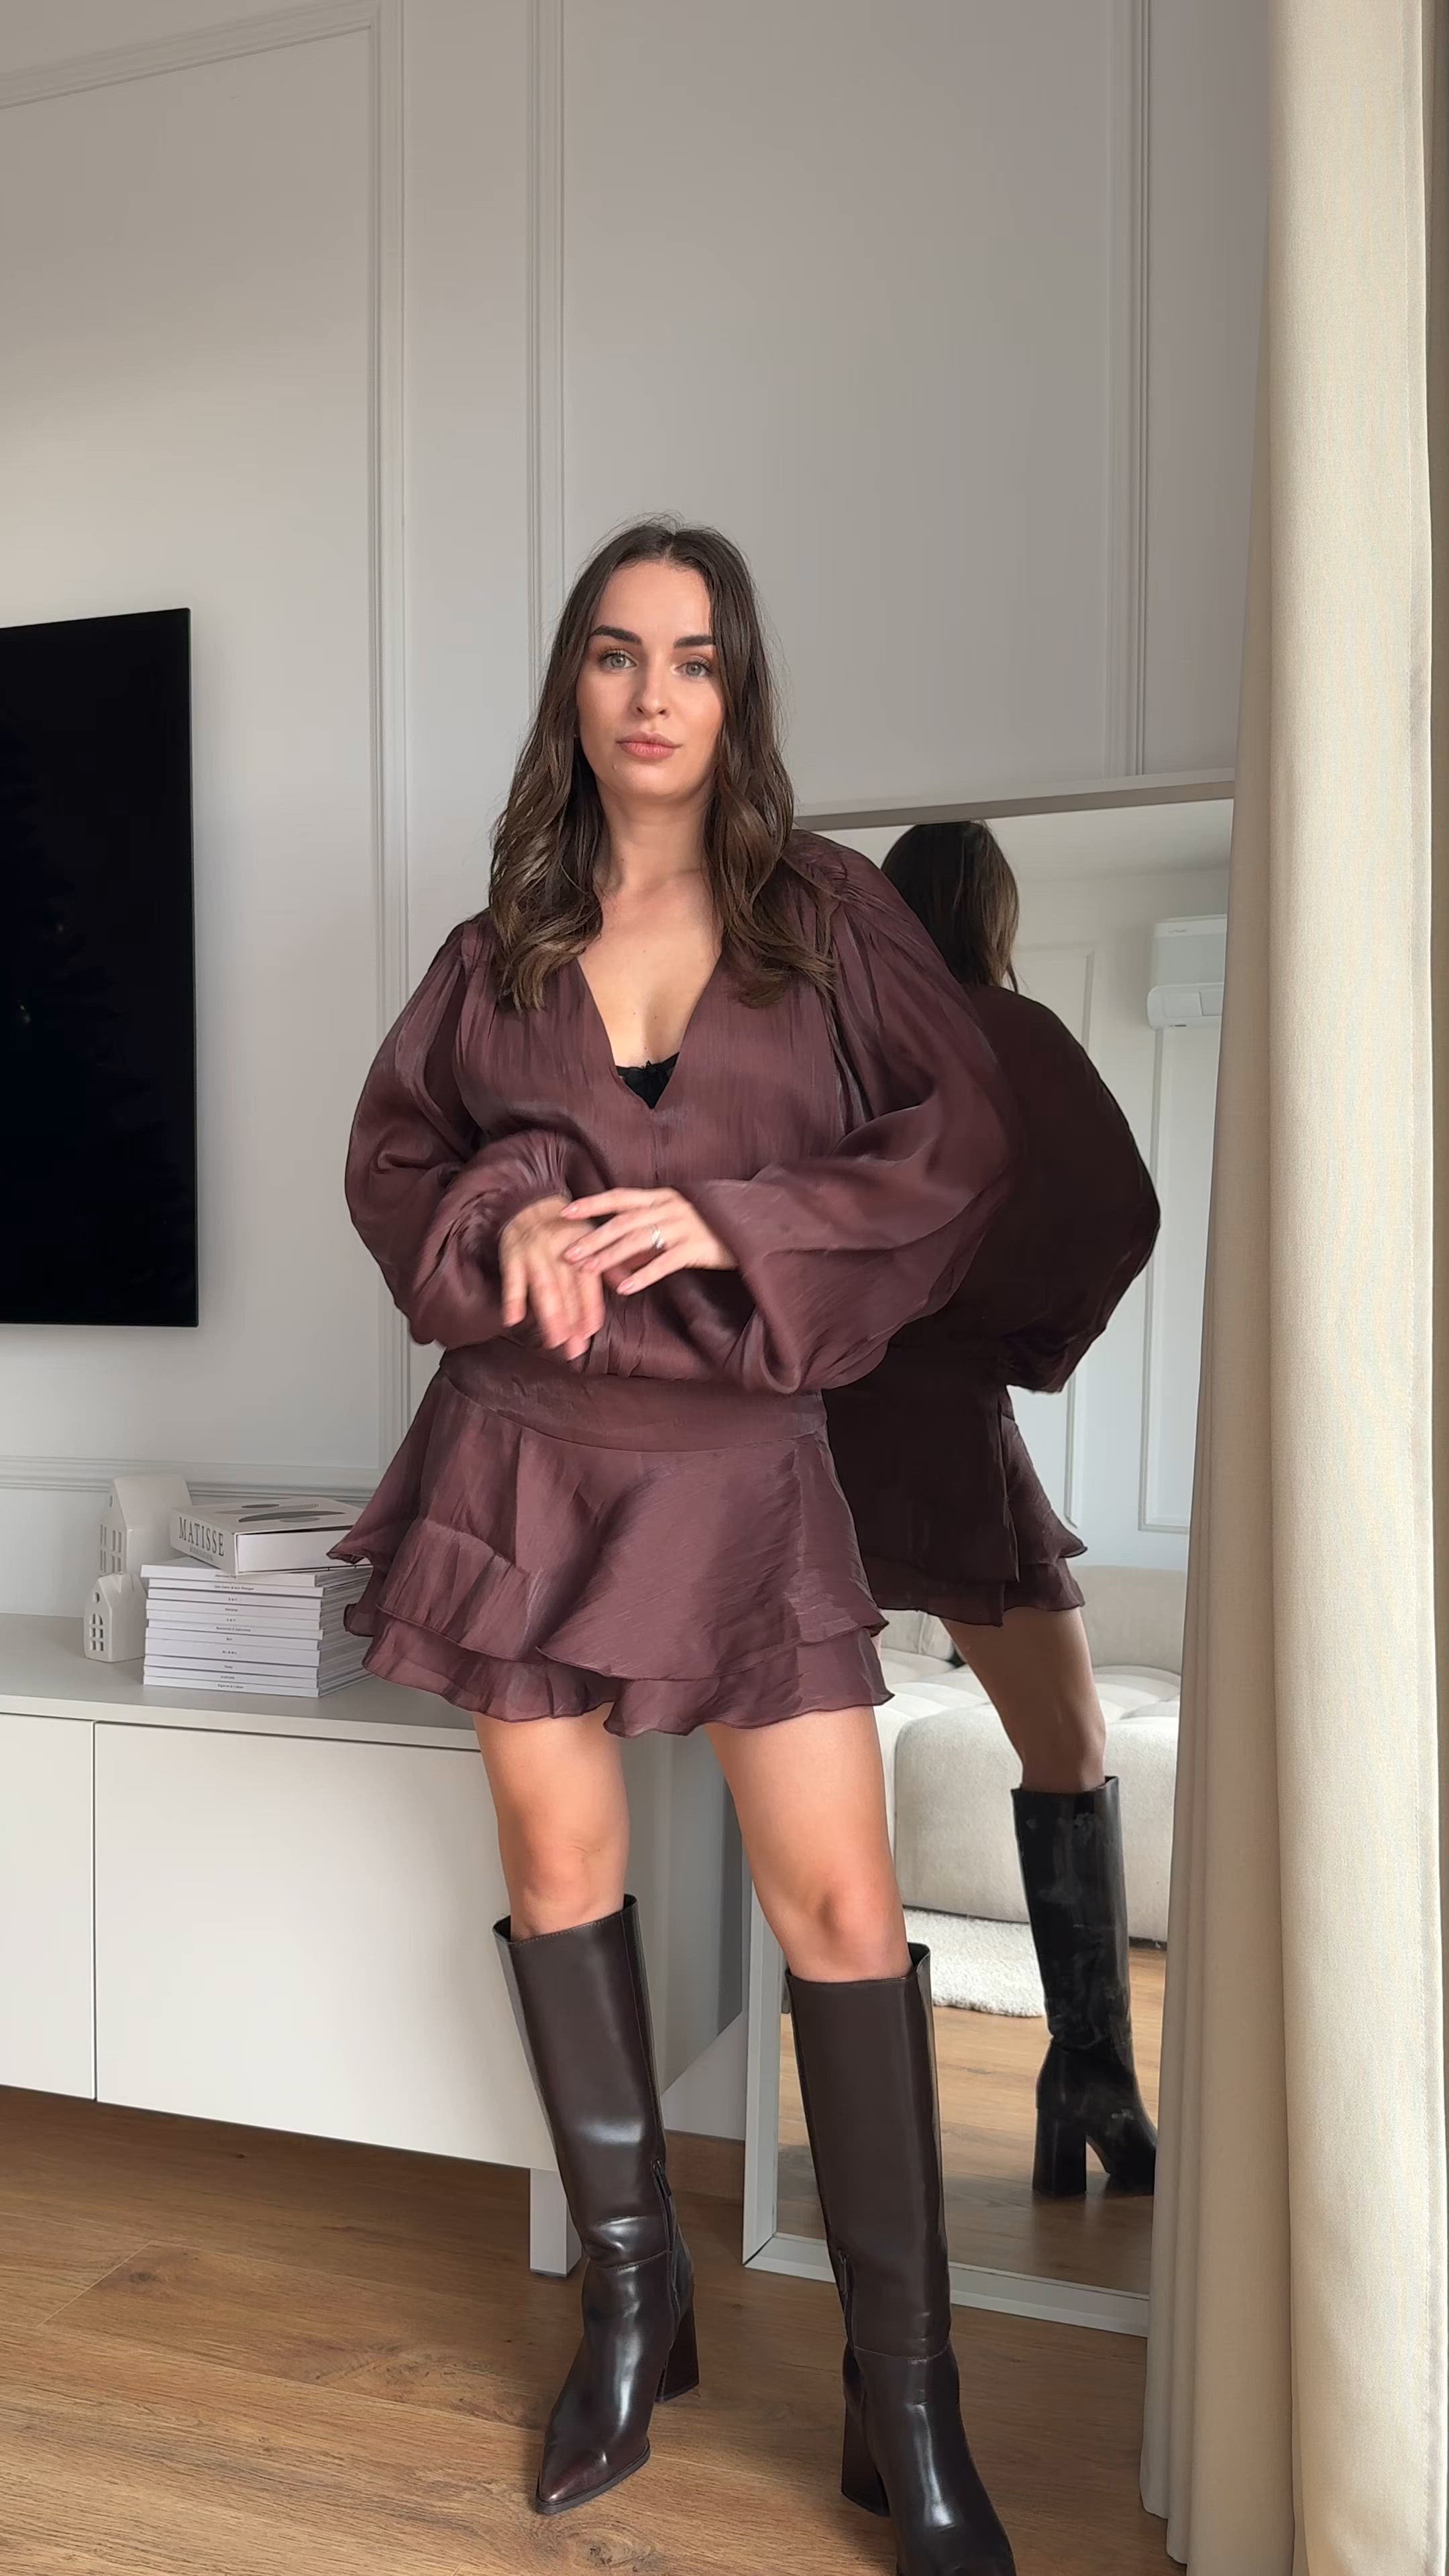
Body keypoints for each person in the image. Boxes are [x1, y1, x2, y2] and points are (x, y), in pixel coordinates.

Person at [333, 522, 1020, 2574]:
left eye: (695, 658)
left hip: (740, 1469)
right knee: (559, 1877)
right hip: (520, 1458)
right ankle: (636, 2311)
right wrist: (510, 1224)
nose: (654, 694)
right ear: (575, 685)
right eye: (619, 654)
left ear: (738, 692)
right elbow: (397, 1160)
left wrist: (736, 1218)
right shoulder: (499, 949)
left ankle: (906, 2401)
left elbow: (962, 1145)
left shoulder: (826, 918)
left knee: (842, 1905)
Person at [824, 820, 1163, 2202]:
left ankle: (871, 2137)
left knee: (815, 1764)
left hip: (815, 1419)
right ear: (992, 916)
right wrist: (1027, 1345)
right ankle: (1091, 2080)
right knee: (1069, 1742)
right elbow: (1122, 1211)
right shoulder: (1008, 1035)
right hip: (942, 1421)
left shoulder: (830, 1044)